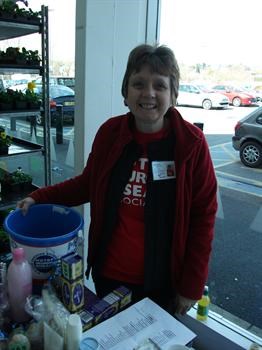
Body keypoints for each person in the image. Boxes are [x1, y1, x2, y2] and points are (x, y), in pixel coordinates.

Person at [17, 44, 218, 315]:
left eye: (159, 85)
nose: (148, 93)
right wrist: (38, 196)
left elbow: (202, 219)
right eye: (138, 84)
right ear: (125, 93)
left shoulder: (191, 145)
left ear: (173, 94)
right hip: (109, 276)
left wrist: (191, 286)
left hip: (162, 283)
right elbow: (87, 184)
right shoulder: (111, 133)